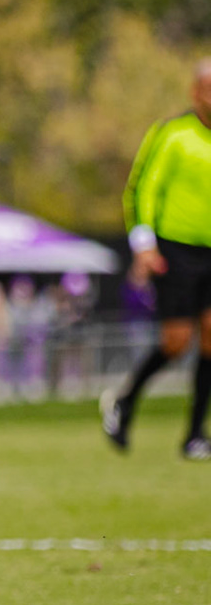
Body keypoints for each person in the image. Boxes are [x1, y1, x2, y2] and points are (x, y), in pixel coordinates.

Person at [104, 61, 211, 457]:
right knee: (177, 342)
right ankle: (125, 402)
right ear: (196, 92)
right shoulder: (173, 134)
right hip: (175, 250)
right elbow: (141, 190)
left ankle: (195, 433)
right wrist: (144, 244)